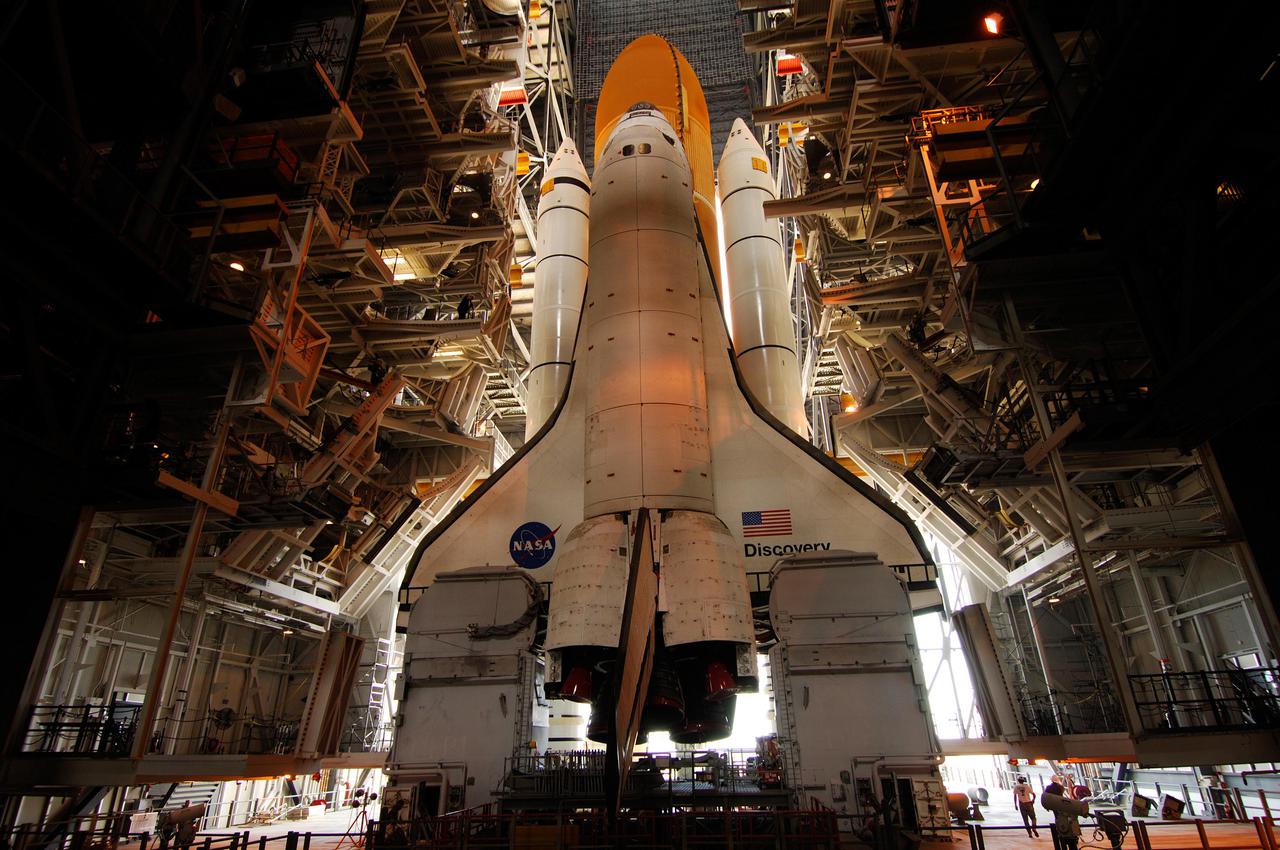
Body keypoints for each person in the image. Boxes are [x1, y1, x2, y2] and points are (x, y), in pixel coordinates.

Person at [1042, 781, 1089, 850]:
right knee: (1072, 845)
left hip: (1065, 829)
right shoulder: (1061, 803)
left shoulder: (1057, 803)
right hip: (1066, 828)